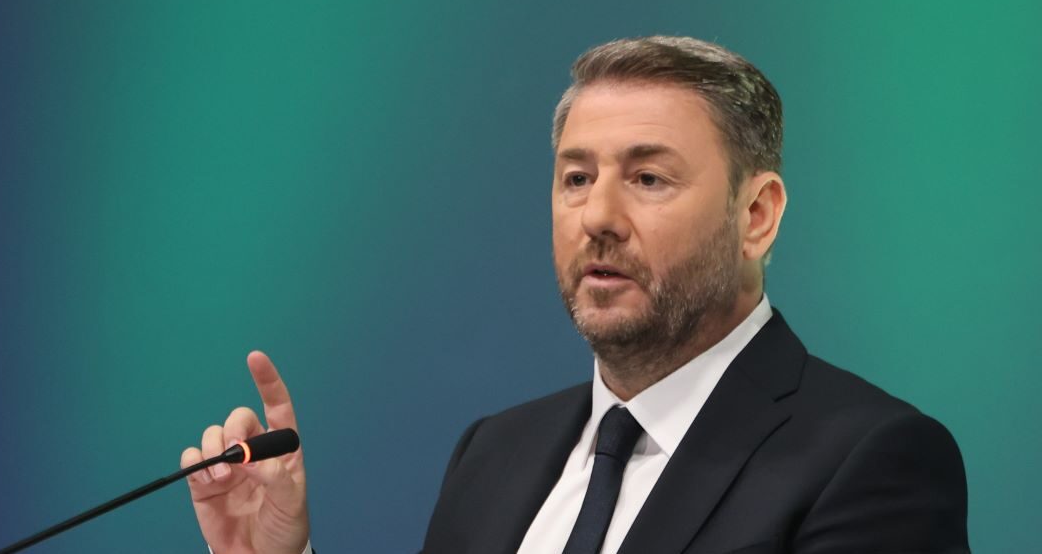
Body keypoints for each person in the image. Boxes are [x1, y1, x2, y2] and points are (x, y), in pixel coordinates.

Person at [180, 36, 970, 554]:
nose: (598, 217)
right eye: (577, 178)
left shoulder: (869, 460)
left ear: (756, 215)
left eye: (648, 178)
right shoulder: (495, 453)